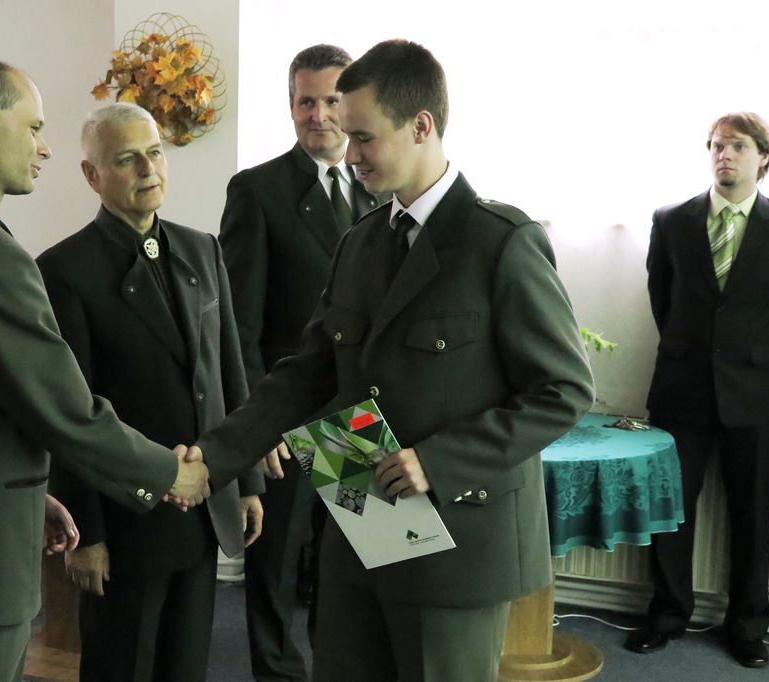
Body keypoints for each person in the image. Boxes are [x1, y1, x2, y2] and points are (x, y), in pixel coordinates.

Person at [189, 40, 594, 681]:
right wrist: (211, 458)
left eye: (363, 138)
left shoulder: (501, 243)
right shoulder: (361, 242)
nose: (349, 155)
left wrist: (438, 461)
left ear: (421, 126)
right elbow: (308, 371)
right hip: (357, 506)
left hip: (456, 534)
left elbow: (563, 391)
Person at [0, 55, 209, 682]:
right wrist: (169, 473)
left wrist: (24, 496)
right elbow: (65, 409)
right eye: (34, 127)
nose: (44, 148)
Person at [35, 103, 264, 682]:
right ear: (92, 175)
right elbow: (68, 414)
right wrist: (87, 535)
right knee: (122, 666)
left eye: (155, 152)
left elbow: (229, 371)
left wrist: (243, 481)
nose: (148, 168)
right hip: (126, 517)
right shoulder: (64, 270)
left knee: (186, 665)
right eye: (127, 159)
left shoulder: (202, 247)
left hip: (202, 503)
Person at [218, 43, 379, 681]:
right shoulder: (256, 191)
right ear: (290, 106)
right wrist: (257, 426)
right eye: (306, 101)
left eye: (332, 100)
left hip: (357, 421)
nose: (319, 114)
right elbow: (239, 327)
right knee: (277, 572)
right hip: (285, 423)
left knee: (362, 566)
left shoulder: (379, 186)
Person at [628, 112, 769, 669]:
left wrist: (748, 352)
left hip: (755, 393)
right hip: (682, 389)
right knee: (670, 511)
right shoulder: (672, 220)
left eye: (738, 146)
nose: (724, 154)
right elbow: (662, 297)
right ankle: (666, 615)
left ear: (763, 157)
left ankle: (747, 627)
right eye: (717, 146)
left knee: (752, 514)